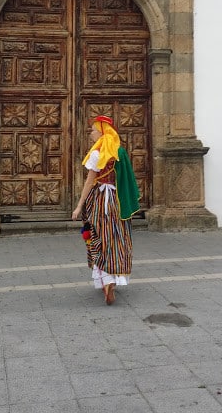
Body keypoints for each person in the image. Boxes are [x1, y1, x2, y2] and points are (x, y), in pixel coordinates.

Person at [72, 115, 140, 305]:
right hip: (117, 203)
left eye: (93, 130)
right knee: (118, 237)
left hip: (100, 201)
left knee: (99, 236)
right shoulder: (120, 152)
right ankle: (115, 278)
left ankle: (106, 280)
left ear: (101, 132)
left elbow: (89, 181)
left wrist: (79, 206)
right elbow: (128, 180)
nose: (91, 134)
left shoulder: (97, 153)